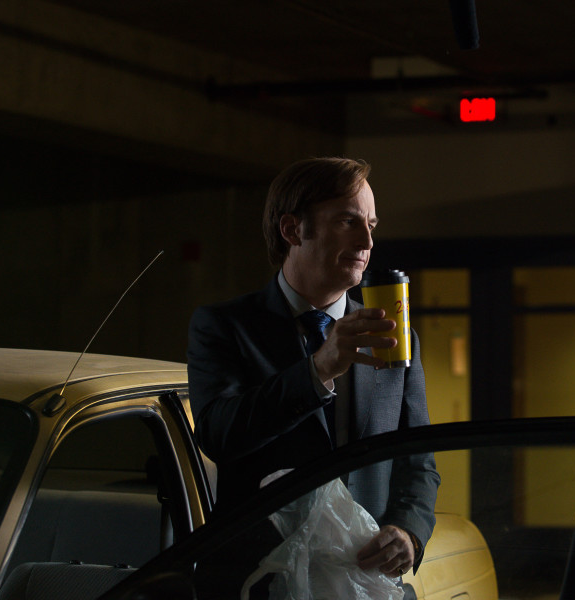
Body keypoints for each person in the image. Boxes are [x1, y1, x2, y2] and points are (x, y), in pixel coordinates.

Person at [187, 157, 439, 586]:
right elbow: (218, 436)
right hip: (263, 582)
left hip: (368, 581)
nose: (367, 241)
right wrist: (318, 369)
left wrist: (408, 532)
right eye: (348, 221)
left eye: (371, 225)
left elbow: (418, 461)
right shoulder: (224, 326)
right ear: (292, 230)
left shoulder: (396, 334)